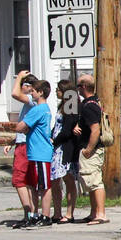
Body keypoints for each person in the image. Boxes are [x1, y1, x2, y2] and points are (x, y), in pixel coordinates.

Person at [15, 79, 55, 226]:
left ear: (41, 92)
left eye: (33, 91)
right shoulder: (43, 109)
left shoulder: (38, 109)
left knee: (44, 186)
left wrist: (24, 126)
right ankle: (34, 214)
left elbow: (20, 127)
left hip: (41, 152)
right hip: (34, 152)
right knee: (32, 185)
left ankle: (45, 215)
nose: (31, 93)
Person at [76, 73, 107, 224]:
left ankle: (101, 214)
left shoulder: (89, 106)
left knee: (95, 182)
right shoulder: (95, 102)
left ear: (83, 87)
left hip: (93, 150)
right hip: (92, 149)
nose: (77, 90)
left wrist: (89, 149)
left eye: (78, 86)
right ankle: (94, 212)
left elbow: (95, 130)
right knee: (89, 181)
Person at [8, 70, 38, 227]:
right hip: (23, 142)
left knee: (20, 180)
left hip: (25, 146)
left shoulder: (32, 100)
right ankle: (33, 213)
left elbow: (14, 94)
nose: (21, 88)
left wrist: (18, 77)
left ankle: (29, 213)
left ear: (29, 87)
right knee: (29, 181)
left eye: (23, 85)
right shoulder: (30, 104)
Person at [50, 80, 80, 223]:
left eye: (59, 89)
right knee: (55, 180)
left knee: (68, 179)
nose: (56, 91)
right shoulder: (62, 105)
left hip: (65, 148)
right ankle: (56, 212)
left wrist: (55, 141)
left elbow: (67, 130)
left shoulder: (71, 105)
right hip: (56, 147)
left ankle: (69, 213)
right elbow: (57, 126)